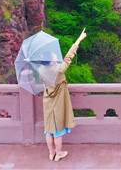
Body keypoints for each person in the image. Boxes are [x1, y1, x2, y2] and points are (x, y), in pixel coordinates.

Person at [40, 28, 87, 162]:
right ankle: (59, 153)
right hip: (57, 103)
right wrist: (79, 40)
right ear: (52, 61)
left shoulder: (41, 70)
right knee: (57, 131)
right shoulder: (59, 70)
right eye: (54, 57)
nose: (56, 57)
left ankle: (51, 153)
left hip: (47, 103)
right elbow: (69, 57)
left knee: (48, 130)